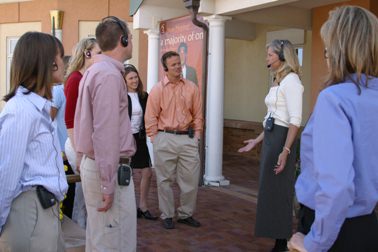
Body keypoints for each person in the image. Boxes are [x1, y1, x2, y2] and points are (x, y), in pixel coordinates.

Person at [288, 6, 378, 252]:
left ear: (339, 50)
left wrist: (314, 243)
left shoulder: (334, 99)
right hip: (368, 226)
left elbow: (336, 186)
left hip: (331, 230)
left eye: (327, 48)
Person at [0, 32, 68, 251]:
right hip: (29, 212)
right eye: (61, 56)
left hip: (45, 210)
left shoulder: (37, 108)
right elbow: (7, 173)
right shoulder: (21, 110)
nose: (64, 62)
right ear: (47, 63)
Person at [74, 16, 136, 251]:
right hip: (108, 170)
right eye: (129, 37)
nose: (131, 41)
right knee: (113, 242)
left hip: (98, 166)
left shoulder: (95, 71)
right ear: (122, 39)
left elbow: (85, 124)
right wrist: (108, 184)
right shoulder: (108, 76)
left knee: (101, 239)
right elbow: (105, 134)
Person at [238, 39, 303, 251]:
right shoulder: (277, 80)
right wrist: (256, 140)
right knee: (270, 190)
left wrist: (285, 151)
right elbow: (271, 116)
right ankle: (277, 239)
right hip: (272, 137)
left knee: (280, 190)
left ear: (282, 57)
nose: (266, 58)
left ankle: (282, 241)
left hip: (283, 140)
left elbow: (294, 120)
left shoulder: (292, 81)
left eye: (270, 55)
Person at [145, 51, 203, 229]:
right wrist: (155, 139)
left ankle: (185, 214)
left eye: (179, 63)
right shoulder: (157, 89)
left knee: (191, 180)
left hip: (188, 139)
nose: (178, 67)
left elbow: (198, 115)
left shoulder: (192, 87)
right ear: (165, 69)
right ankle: (167, 214)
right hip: (164, 138)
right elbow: (151, 117)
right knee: (164, 180)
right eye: (173, 65)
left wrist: (197, 138)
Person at [64, 37, 100, 229]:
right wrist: (79, 152)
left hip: (87, 144)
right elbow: (69, 120)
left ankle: (84, 232)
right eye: (98, 52)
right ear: (87, 54)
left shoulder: (87, 78)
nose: (102, 57)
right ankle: (81, 232)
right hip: (77, 144)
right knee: (84, 193)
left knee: (84, 193)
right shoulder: (75, 79)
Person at [124, 64, 158, 221]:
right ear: (123, 81)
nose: (134, 80)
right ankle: (127, 207)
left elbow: (151, 115)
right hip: (124, 138)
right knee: (126, 173)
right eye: (130, 78)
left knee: (147, 172)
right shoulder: (121, 97)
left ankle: (143, 206)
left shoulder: (144, 96)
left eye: (135, 77)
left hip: (140, 137)